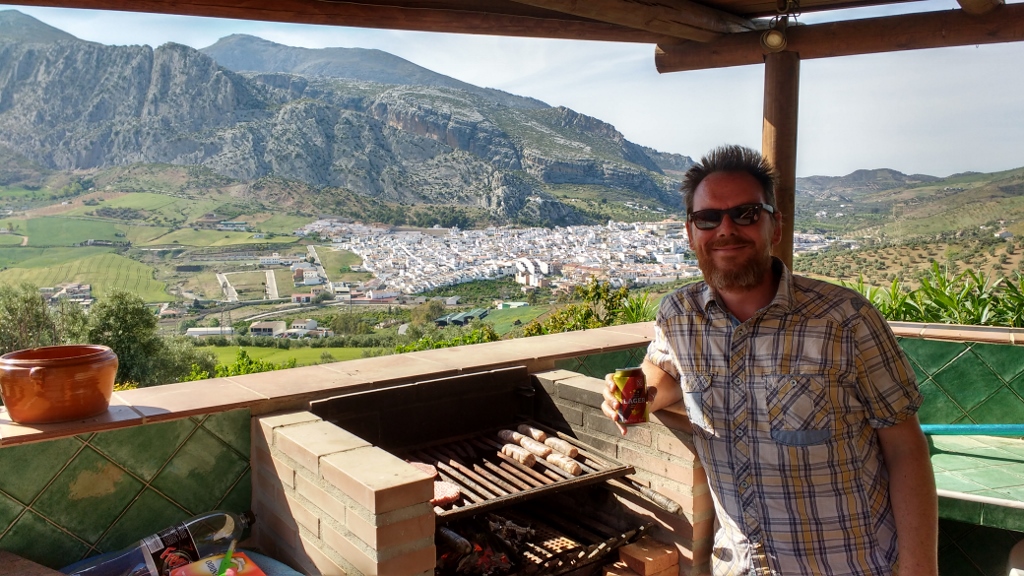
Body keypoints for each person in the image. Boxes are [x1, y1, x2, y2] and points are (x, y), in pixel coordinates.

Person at [601, 145, 937, 576]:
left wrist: (920, 568)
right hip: (739, 565)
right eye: (708, 218)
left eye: (745, 214)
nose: (726, 229)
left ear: (775, 226)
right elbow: (665, 371)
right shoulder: (678, 314)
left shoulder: (845, 319)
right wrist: (630, 396)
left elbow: (906, 447)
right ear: (690, 232)